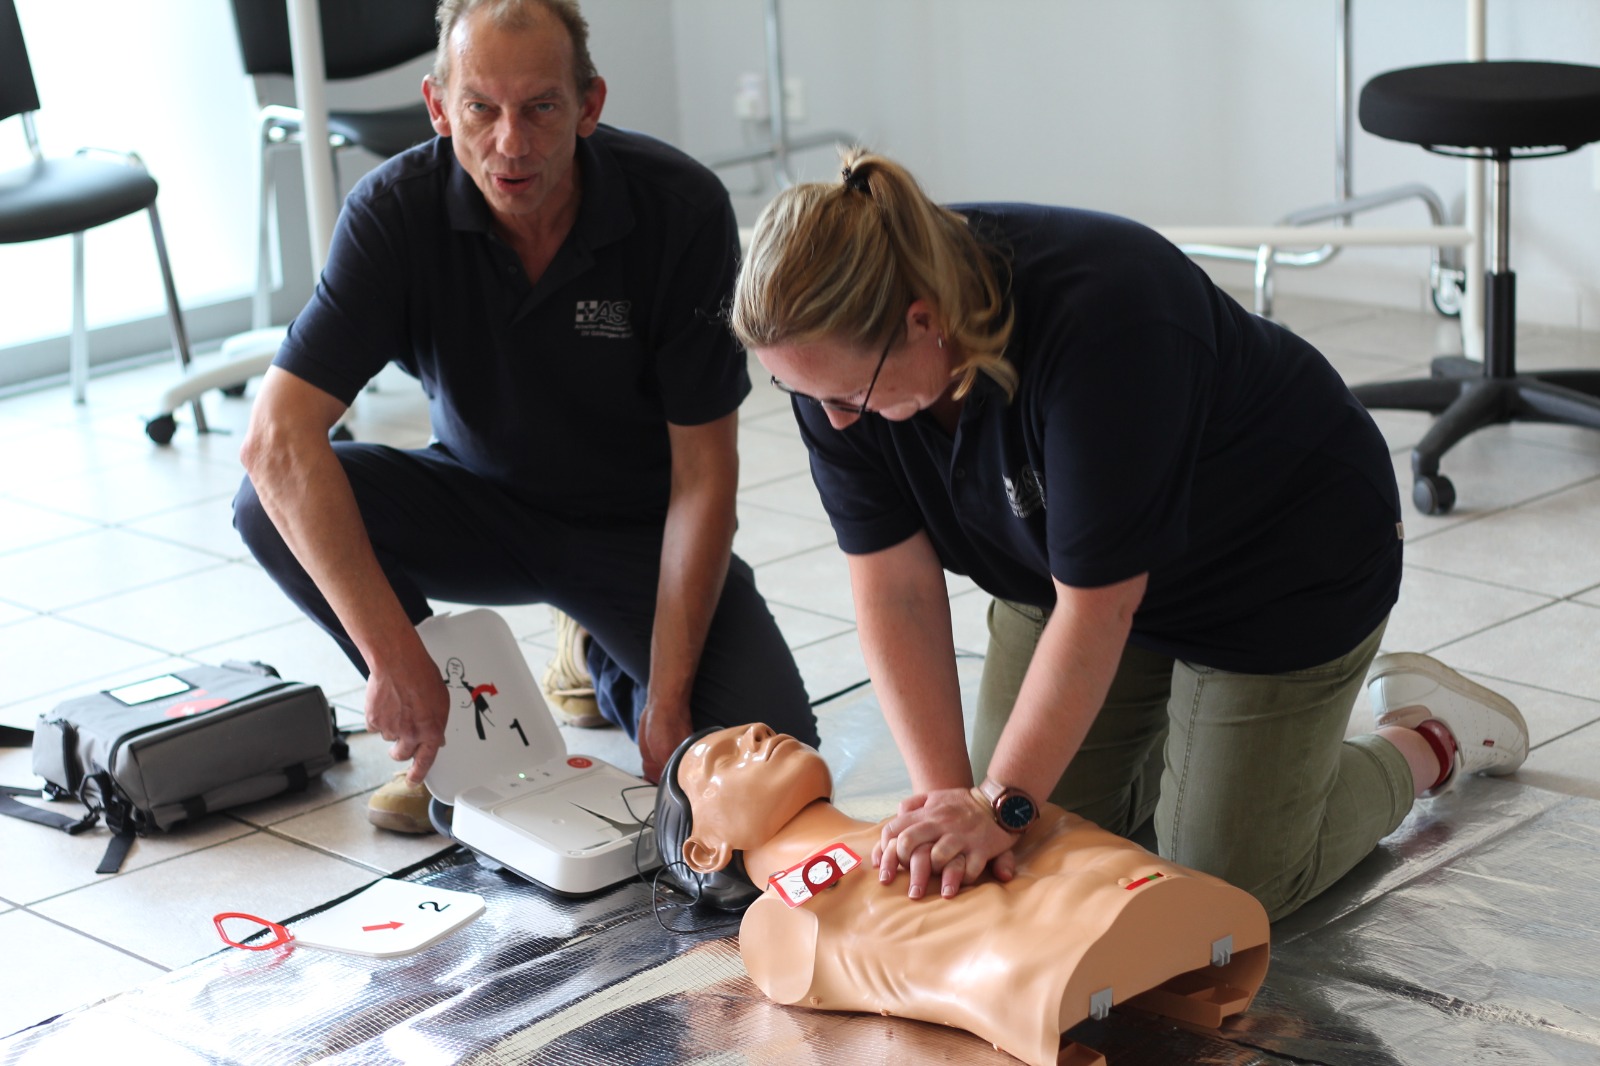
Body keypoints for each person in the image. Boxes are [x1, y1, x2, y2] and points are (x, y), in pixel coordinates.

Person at [726, 149, 1529, 922]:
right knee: (1031, 851)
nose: (832, 419)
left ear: (923, 320)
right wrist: (955, 803)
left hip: (1274, 561)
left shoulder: (1103, 319)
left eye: (846, 395)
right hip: (1066, 568)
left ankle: (1424, 738)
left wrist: (1000, 806)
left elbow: (1099, 612)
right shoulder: (834, 364)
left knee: (1224, 883)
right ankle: (1196, 751)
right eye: (798, 390)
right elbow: (895, 587)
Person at [233, 0, 815, 833]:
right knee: (268, 503)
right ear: (439, 108)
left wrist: (671, 702)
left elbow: (704, 479)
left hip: (635, 535)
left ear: (589, 105)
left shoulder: (679, 208)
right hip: (481, 502)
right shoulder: (391, 214)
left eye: (542, 107)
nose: (512, 142)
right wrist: (397, 658)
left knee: (772, 761)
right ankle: (452, 738)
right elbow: (275, 440)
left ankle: (601, 660)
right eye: (482, 108)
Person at [663, 724, 1272, 1066]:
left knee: (1043, 825)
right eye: (725, 755)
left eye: (749, 730)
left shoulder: (918, 818)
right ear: (706, 850)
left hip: (1141, 917)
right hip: (1064, 965)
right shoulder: (784, 918)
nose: (759, 732)